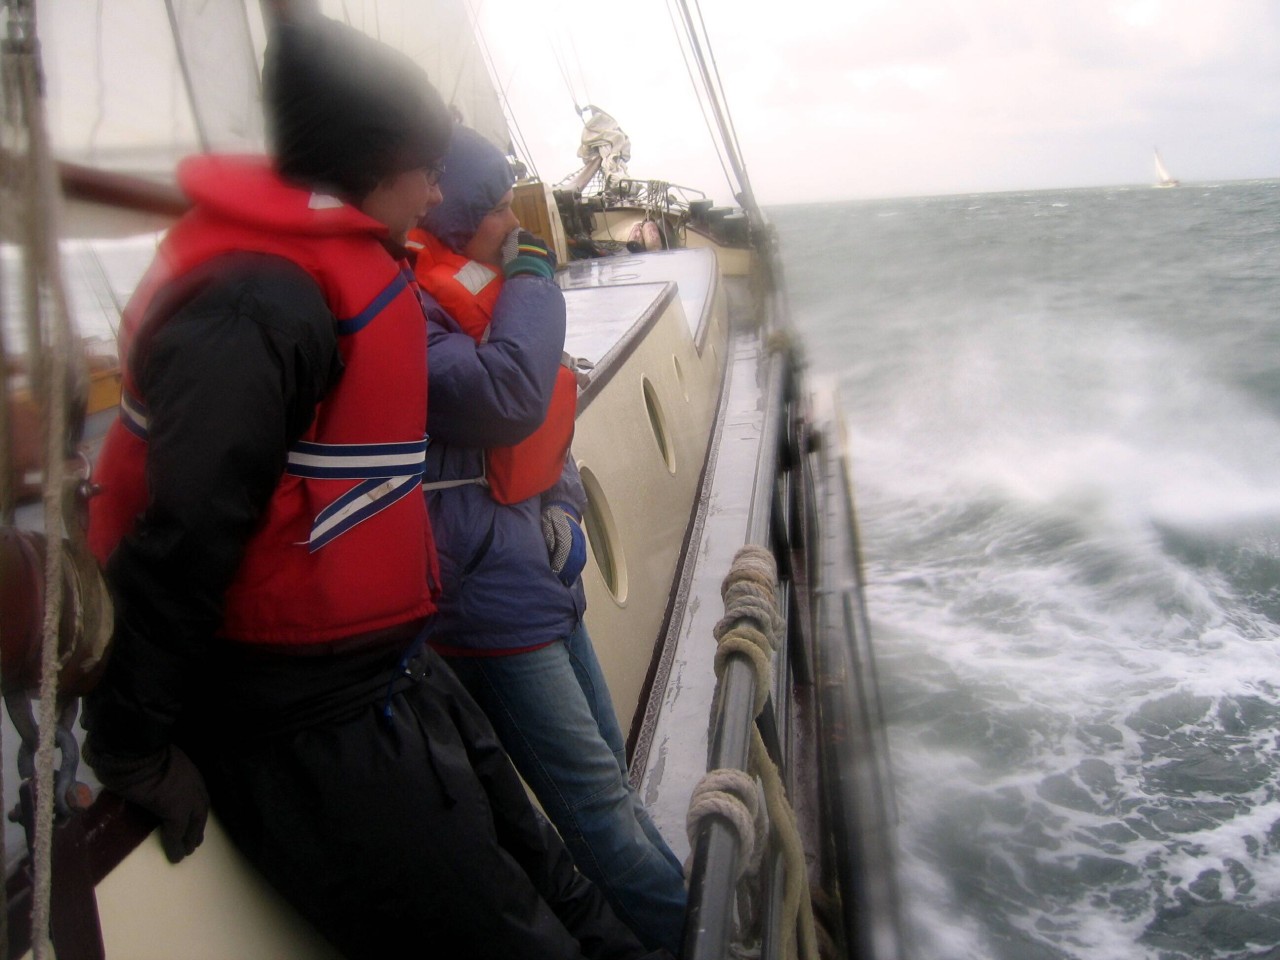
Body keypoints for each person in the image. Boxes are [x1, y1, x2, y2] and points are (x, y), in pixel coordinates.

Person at [81, 16, 666, 960]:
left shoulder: (329, 268)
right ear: (381, 163)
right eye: (429, 171)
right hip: (302, 723)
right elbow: (183, 530)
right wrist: (131, 744)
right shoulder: (257, 299)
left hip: (391, 674)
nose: (438, 193)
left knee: (566, 893)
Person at [411, 124, 688, 956]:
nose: (513, 223)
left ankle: (686, 924)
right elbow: (502, 399)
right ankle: (693, 937)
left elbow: (546, 424)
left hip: (535, 572)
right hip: (486, 603)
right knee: (597, 804)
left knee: (610, 776)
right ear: (453, 213)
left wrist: (564, 509)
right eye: (494, 207)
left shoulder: (486, 292)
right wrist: (534, 279)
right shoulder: (413, 305)